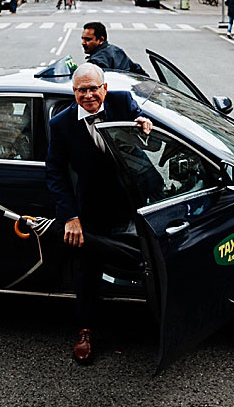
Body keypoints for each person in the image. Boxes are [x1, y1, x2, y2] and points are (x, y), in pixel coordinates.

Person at [46, 63, 153, 364]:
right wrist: (70, 216)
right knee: (86, 270)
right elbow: (55, 172)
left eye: (94, 88)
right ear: (74, 91)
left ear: (104, 88)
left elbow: (141, 117)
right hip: (89, 208)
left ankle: (154, 319)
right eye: (82, 89)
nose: (89, 94)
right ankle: (85, 330)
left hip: (132, 202)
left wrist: (143, 121)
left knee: (146, 260)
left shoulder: (121, 101)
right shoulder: (62, 123)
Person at [80, 22, 147, 76]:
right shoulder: (116, 50)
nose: (83, 43)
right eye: (82, 39)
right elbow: (136, 68)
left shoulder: (96, 62)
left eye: (88, 39)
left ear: (101, 40)